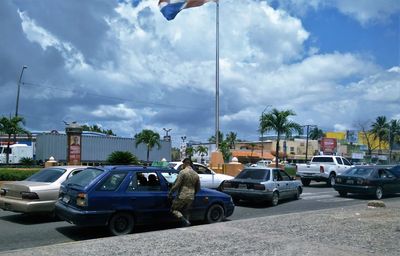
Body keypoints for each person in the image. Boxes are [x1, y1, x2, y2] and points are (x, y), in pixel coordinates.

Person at [168, 157, 200, 227]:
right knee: (186, 210)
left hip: (182, 195)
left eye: (183, 164)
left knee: (174, 210)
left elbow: (177, 185)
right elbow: (198, 188)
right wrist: (194, 194)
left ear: (185, 163)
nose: (182, 165)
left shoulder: (182, 172)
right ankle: (186, 225)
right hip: (191, 196)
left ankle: (185, 221)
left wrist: (170, 193)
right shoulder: (196, 174)